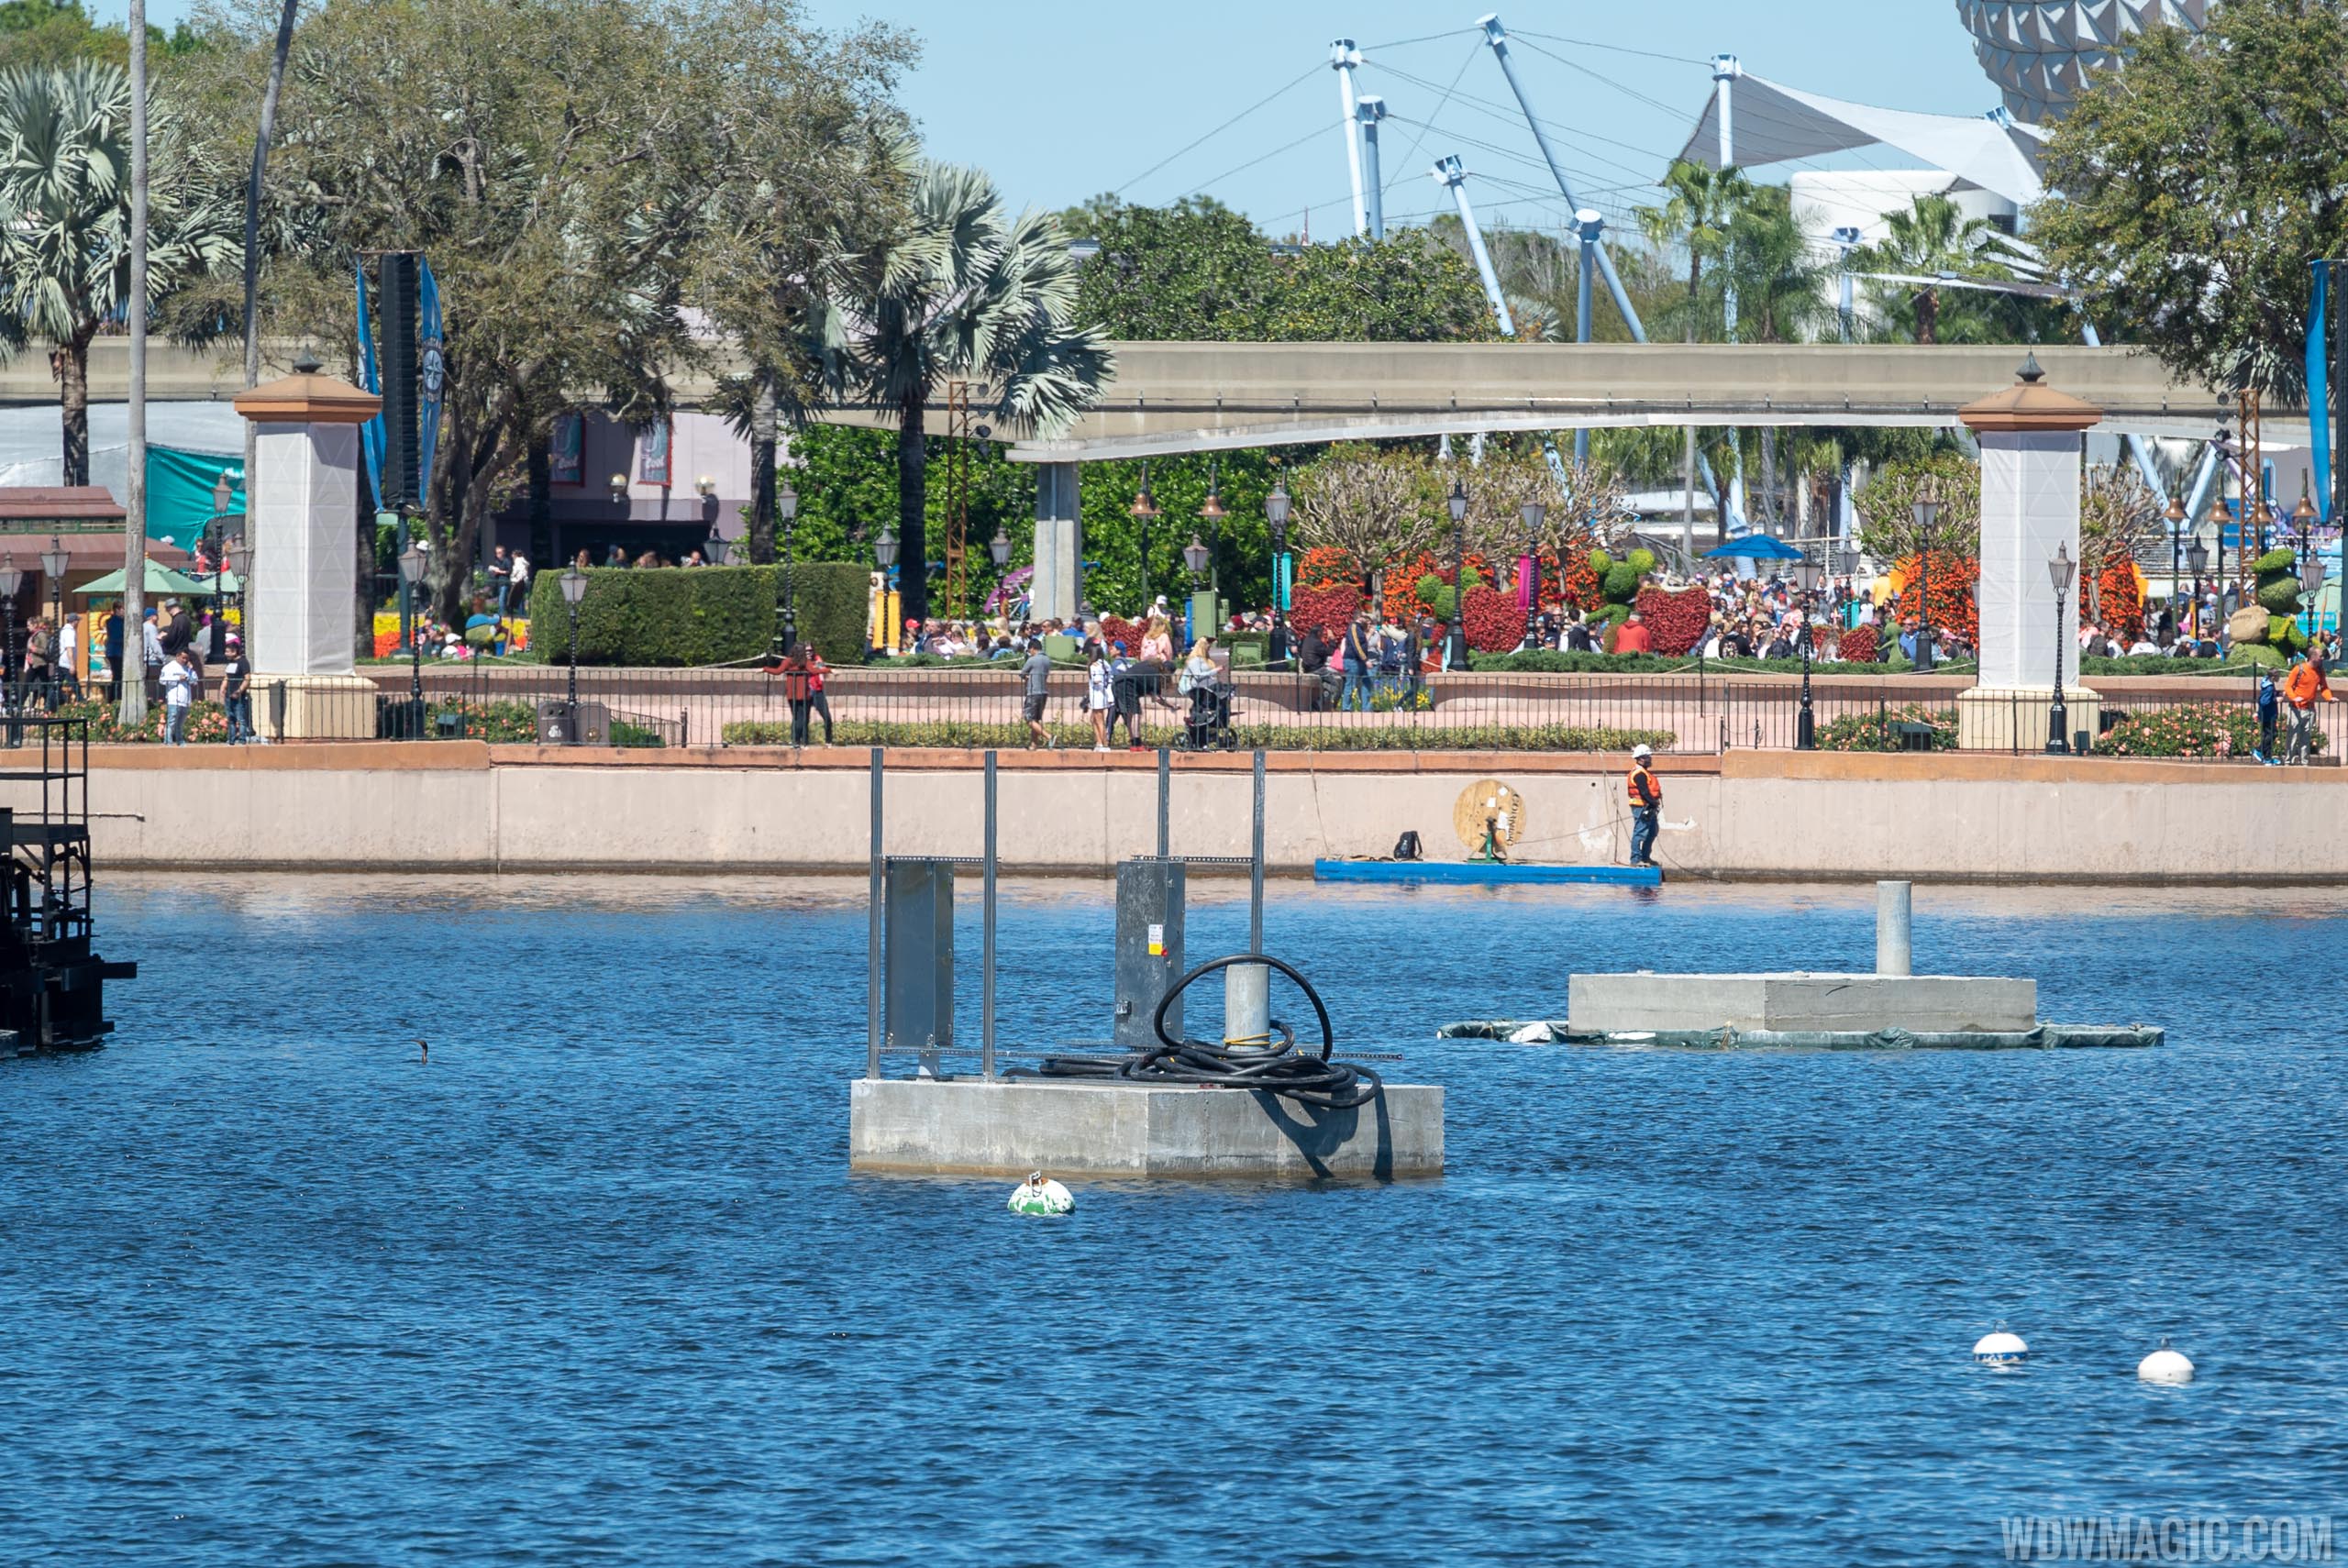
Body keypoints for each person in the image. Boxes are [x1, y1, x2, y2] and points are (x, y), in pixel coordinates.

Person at [2281, 651, 2334, 764]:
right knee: (2293, 736)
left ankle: (2304, 762)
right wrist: (2294, 697)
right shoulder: (2299, 669)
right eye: (2320, 656)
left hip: (2310, 709)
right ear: (2313, 657)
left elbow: (2324, 687)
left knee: (2306, 737)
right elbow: (2288, 686)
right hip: (2296, 709)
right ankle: (2288, 761)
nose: (2322, 658)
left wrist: (2329, 698)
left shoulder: (2320, 671)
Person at [1626, 743, 1662, 869]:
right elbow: (1644, 792)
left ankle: (1645, 857)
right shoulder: (1639, 774)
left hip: (1648, 807)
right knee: (1640, 832)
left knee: (1652, 832)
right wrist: (1654, 802)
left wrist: (1654, 804)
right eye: (1648, 757)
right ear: (1641, 758)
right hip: (1641, 807)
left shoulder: (1644, 772)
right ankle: (1635, 859)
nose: (1650, 759)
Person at [1020, 638, 1055, 749]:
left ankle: (1049, 736)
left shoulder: (1032, 660)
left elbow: (1022, 673)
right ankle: (1033, 744)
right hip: (1043, 692)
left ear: (1033, 649)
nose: (1030, 653)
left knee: (1028, 718)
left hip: (1033, 692)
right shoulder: (1047, 660)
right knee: (1036, 720)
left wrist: (1027, 677)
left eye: (1030, 651)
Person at [160, 646, 196, 745]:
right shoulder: (169, 667)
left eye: (186, 658)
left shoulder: (187, 668)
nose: (185, 660)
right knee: (172, 721)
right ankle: (168, 740)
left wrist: (190, 671)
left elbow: (194, 681)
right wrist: (177, 678)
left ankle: (180, 740)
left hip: (185, 699)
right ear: (177, 656)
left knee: (181, 723)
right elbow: (162, 680)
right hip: (174, 699)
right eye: (183, 658)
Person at [220, 633, 252, 744]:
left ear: (235, 650)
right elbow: (227, 676)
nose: (226, 653)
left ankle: (242, 739)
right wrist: (223, 687)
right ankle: (231, 739)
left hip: (238, 696)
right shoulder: (230, 663)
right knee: (231, 719)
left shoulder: (243, 662)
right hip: (229, 695)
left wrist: (239, 691)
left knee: (241, 719)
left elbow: (247, 678)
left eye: (228, 651)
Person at [1340, 613, 1375, 712]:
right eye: (1365, 617)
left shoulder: (1360, 629)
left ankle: (1366, 708)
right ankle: (1346, 708)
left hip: (1359, 661)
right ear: (1359, 617)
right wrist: (1365, 659)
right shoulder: (1353, 627)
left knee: (1366, 683)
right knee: (1350, 685)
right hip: (1352, 660)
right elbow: (1356, 645)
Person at [781, 647, 814, 746]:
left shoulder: (787, 661)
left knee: (796, 717)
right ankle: (798, 740)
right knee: (802, 718)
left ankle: (795, 740)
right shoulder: (806, 662)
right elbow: (814, 670)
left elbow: (779, 670)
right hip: (803, 694)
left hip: (791, 694)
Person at [802, 642, 834, 745]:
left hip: (817, 691)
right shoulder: (800, 660)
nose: (809, 653)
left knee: (827, 717)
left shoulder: (817, 658)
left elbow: (822, 669)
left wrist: (822, 668)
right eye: (806, 651)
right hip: (805, 691)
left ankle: (828, 741)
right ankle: (805, 742)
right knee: (804, 719)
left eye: (810, 650)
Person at [1085, 639, 1113, 751]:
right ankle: (1099, 742)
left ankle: (1105, 744)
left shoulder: (1095, 666)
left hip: (1097, 694)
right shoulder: (1105, 664)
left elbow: (1097, 680)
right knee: (1093, 719)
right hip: (1103, 694)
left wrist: (1096, 676)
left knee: (1099, 719)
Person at [2254, 665, 2280, 764]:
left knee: (2267, 734)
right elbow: (2264, 701)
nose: (2279, 678)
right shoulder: (2269, 687)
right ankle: (2263, 754)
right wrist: (2276, 700)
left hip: (2266, 714)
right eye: (2278, 676)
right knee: (2272, 734)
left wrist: (2277, 693)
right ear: (2273, 677)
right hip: (2268, 714)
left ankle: (2266, 756)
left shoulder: (2268, 683)